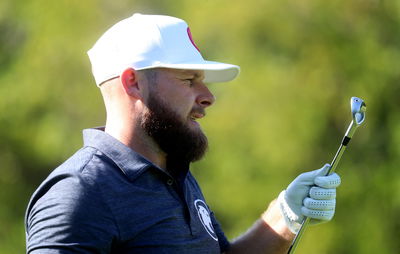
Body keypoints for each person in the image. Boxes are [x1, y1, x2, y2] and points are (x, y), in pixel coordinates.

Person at [25, 13, 341, 254]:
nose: (208, 96)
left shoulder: (177, 175)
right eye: (189, 80)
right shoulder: (79, 192)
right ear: (133, 81)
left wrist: (285, 216)